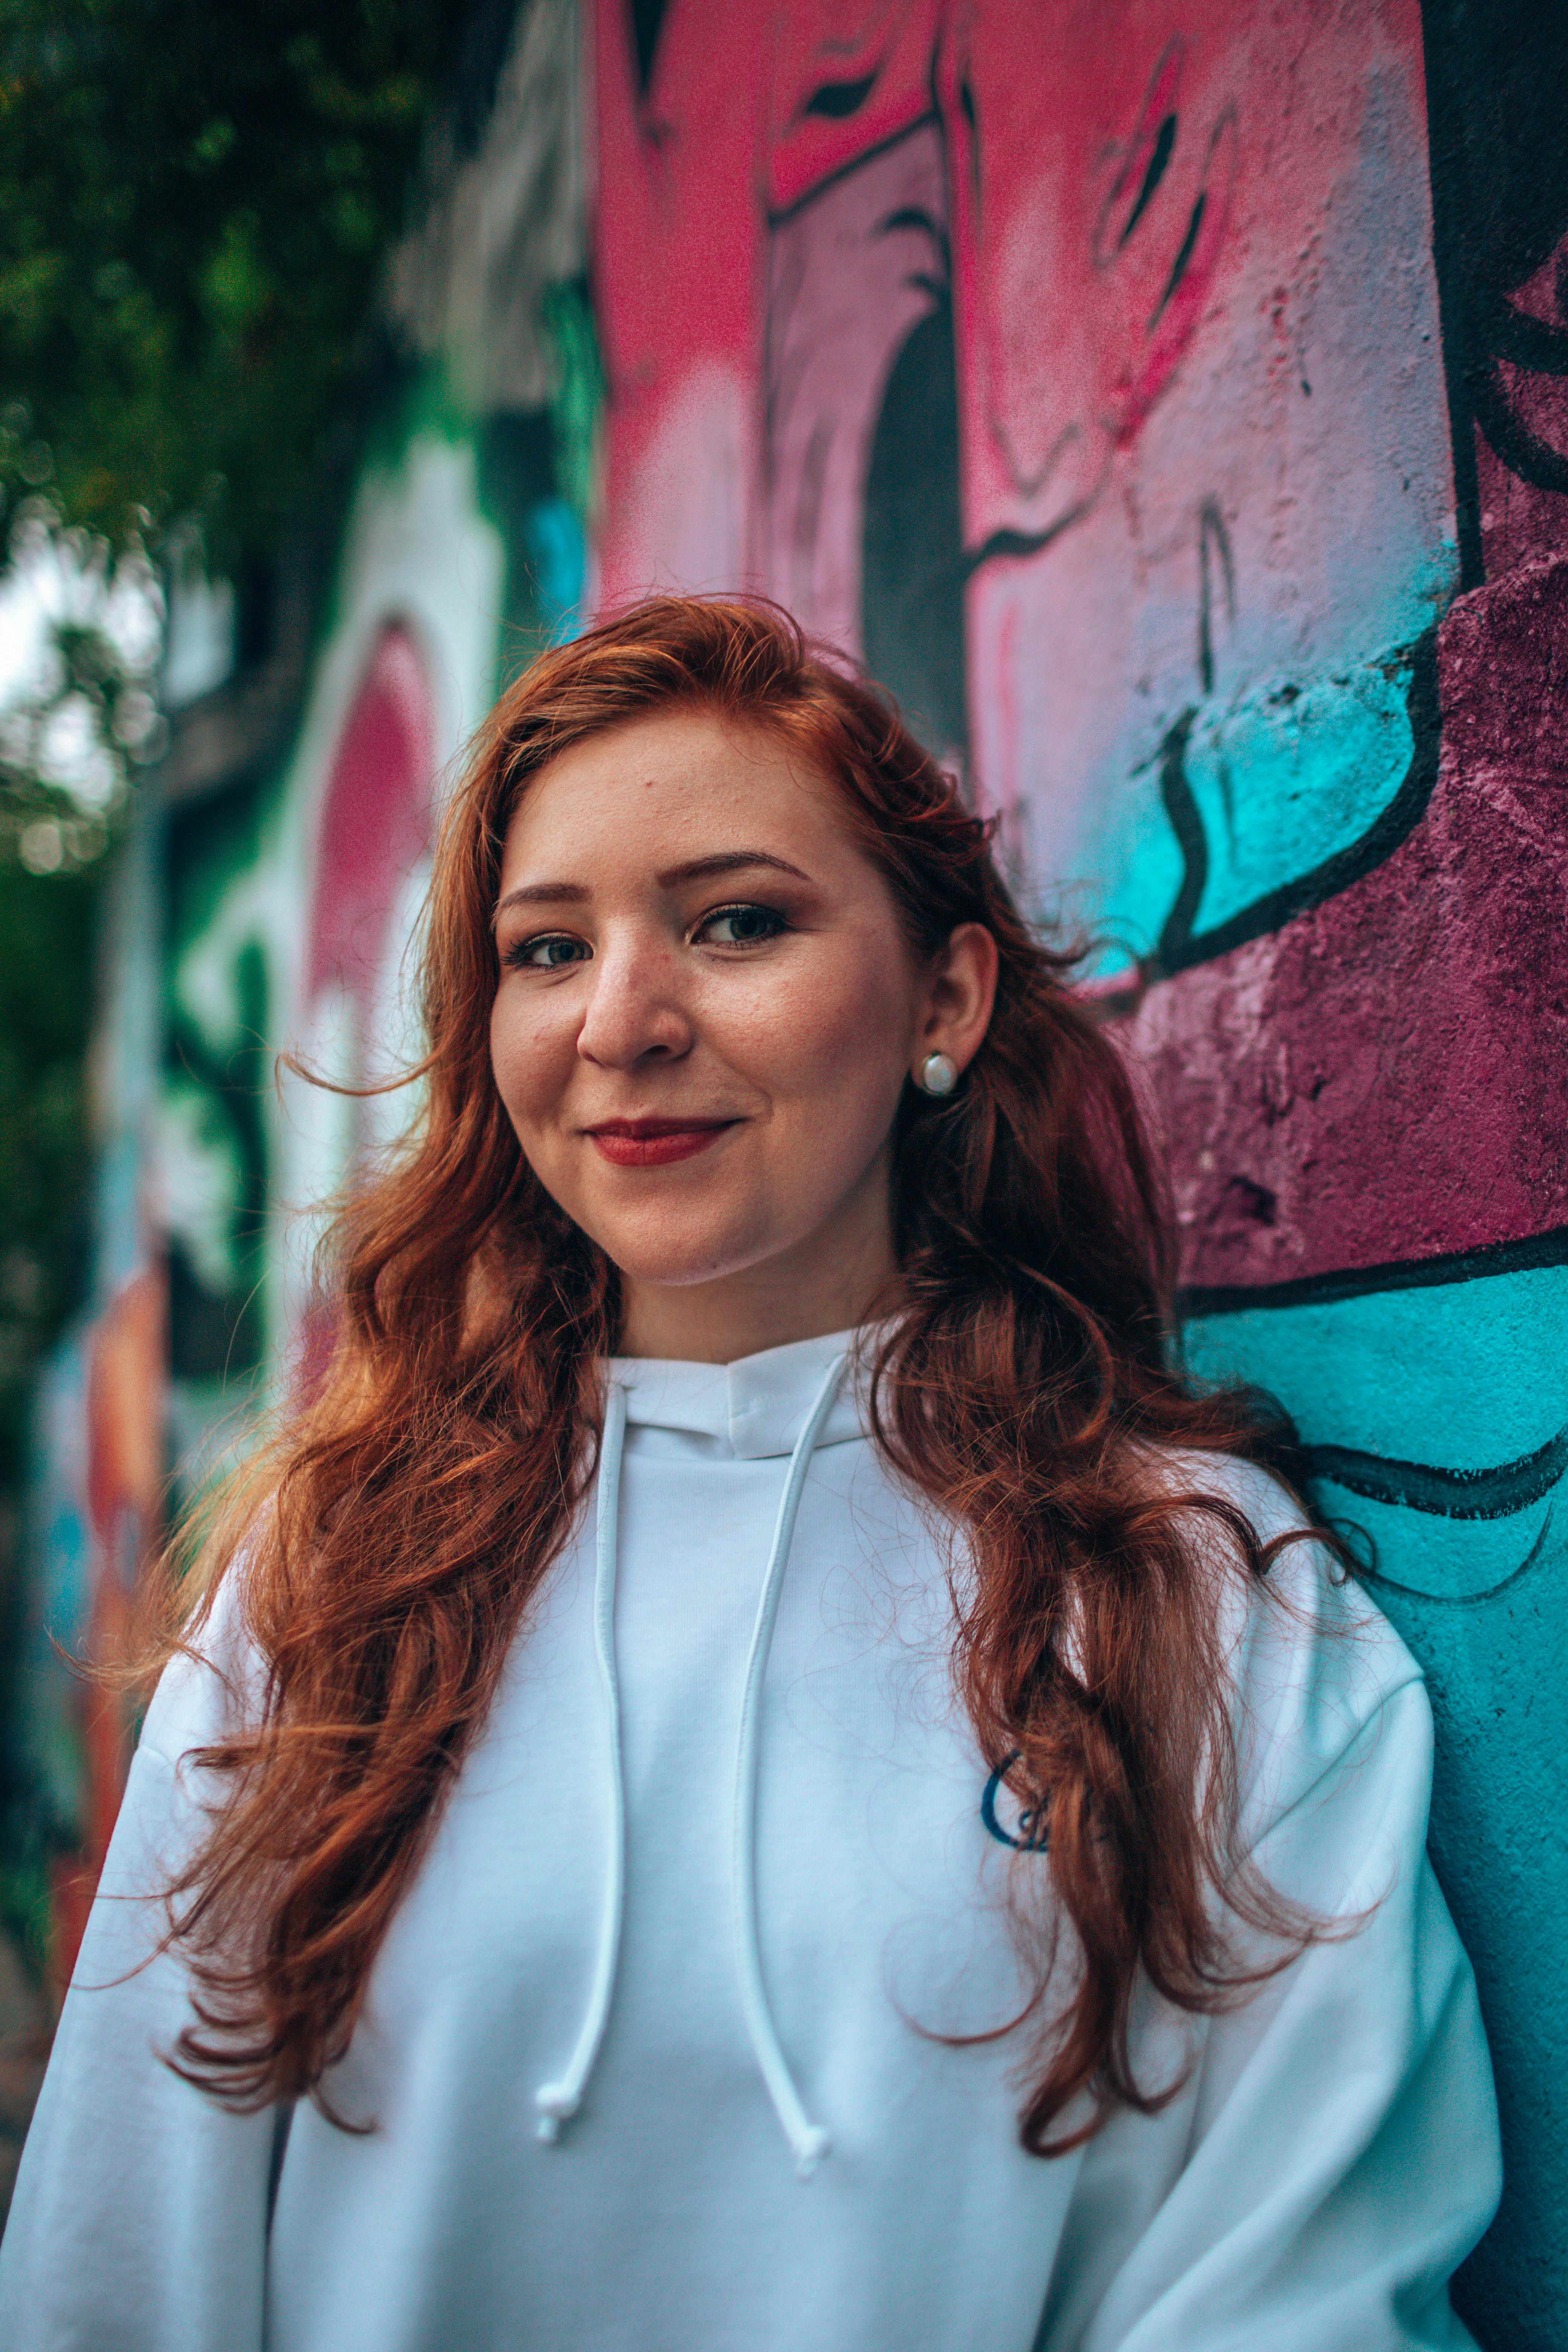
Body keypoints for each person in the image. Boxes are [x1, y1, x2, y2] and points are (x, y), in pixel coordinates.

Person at [1, 598, 1498, 2350]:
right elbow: (120, 2253)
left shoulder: (1195, 1591)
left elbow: (1301, 2278)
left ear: (942, 994)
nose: (621, 1021)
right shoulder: (334, 1580)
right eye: (545, 950)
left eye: (734, 923)